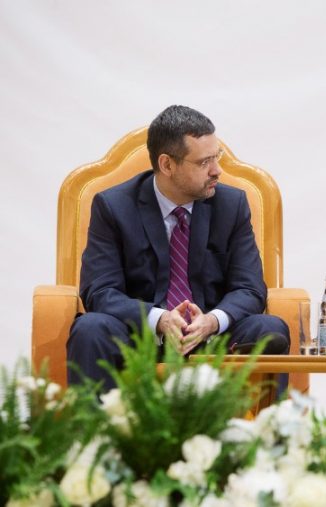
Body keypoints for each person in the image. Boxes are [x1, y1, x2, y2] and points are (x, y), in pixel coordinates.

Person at [67, 105, 289, 389]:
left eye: (217, 157)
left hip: (213, 339)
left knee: (270, 328)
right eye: (204, 162)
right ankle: (94, 420)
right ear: (167, 165)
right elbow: (99, 291)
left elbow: (250, 288)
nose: (217, 171)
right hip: (141, 338)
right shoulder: (114, 207)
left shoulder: (231, 205)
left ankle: (270, 420)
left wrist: (212, 321)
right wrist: (159, 319)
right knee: (90, 329)